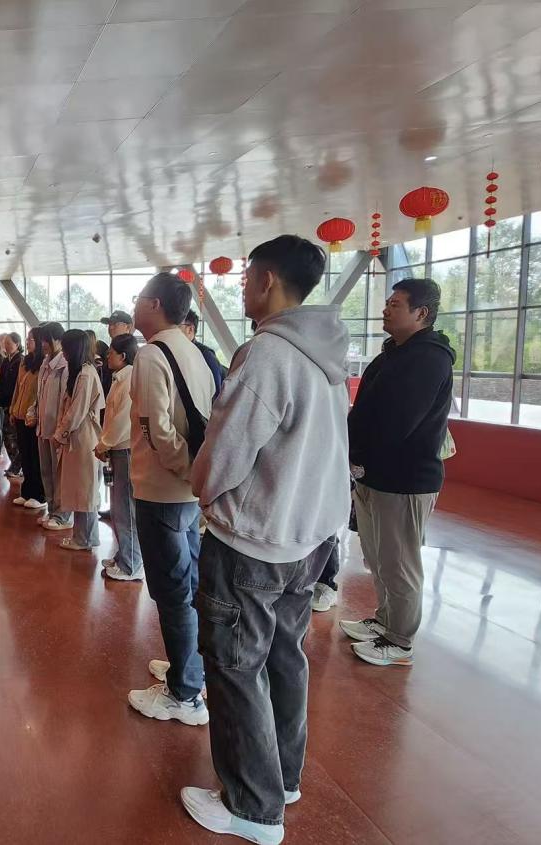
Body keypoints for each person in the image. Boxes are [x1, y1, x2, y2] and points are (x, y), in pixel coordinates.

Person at [184, 235, 352, 844]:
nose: (241, 287)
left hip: (256, 538)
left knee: (235, 664)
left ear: (269, 280)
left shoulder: (267, 353)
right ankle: (282, 776)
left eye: (247, 276)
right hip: (309, 535)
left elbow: (227, 450)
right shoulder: (326, 354)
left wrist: (204, 491)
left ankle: (254, 809)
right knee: (285, 654)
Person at [342, 277, 454, 667]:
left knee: (400, 562)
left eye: (395, 304)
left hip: (405, 480)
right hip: (374, 474)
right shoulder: (392, 353)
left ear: (421, 313)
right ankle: (385, 620)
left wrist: (360, 455)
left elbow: (398, 423)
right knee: (378, 556)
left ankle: (400, 639)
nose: (386, 309)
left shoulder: (429, 359)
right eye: (387, 302)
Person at [125, 272, 215, 727]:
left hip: (162, 489)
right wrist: (195, 475)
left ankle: (184, 694)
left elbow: (156, 430)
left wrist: (184, 470)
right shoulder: (193, 350)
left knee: (172, 589)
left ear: (155, 305)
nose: (135, 305)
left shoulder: (150, 354)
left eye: (139, 298)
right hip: (186, 492)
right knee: (189, 581)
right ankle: (190, 667)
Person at [96, 333, 142, 581]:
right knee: (119, 506)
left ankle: (131, 563)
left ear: (123, 356)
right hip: (117, 448)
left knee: (126, 507)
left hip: (124, 448)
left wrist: (104, 443)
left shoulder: (129, 380)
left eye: (111, 352)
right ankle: (124, 553)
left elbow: (123, 420)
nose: (107, 356)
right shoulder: (119, 378)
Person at [54, 329, 106, 551]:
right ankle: (84, 536)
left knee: (84, 490)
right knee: (81, 489)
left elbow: (76, 411)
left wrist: (60, 434)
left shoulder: (85, 375)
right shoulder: (82, 372)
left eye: (65, 348)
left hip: (83, 438)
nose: (63, 353)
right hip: (79, 436)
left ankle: (84, 538)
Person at [30, 322, 71, 530]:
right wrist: (33, 412)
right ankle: (53, 508)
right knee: (46, 471)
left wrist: (61, 430)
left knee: (59, 473)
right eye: (42, 340)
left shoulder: (65, 365)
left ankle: (63, 514)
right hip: (43, 427)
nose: (43, 344)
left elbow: (66, 400)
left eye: (46, 340)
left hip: (56, 429)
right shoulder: (45, 363)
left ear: (58, 340)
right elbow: (39, 395)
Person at [11, 331, 46, 511]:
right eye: (27, 339)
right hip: (20, 413)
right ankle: (26, 491)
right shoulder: (24, 362)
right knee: (25, 455)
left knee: (35, 456)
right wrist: (13, 409)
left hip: (33, 417)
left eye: (31, 339)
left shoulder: (44, 364)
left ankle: (39, 494)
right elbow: (17, 387)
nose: (28, 342)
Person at [0, 332, 24, 479]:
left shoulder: (20, 361)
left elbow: (17, 385)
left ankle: (18, 465)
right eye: (5, 343)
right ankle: (15, 464)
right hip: (5, 402)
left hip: (14, 403)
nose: (6, 346)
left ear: (17, 344)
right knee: (7, 435)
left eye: (9, 343)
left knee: (13, 436)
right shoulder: (6, 361)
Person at [181, 311, 226, 399]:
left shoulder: (205, 355)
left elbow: (217, 393)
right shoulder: (179, 353)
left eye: (177, 327)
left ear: (190, 329)